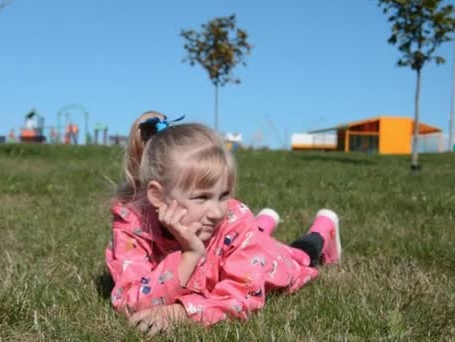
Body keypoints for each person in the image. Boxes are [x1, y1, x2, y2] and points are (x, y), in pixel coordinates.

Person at [105, 111, 342, 335]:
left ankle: (323, 228)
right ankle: (264, 223)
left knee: (295, 258)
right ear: (156, 196)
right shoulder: (133, 226)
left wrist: (182, 311)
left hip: (259, 251)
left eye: (224, 195)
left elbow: (240, 297)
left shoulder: (232, 219)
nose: (217, 211)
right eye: (202, 197)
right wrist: (188, 256)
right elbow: (130, 300)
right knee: (253, 235)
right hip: (244, 237)